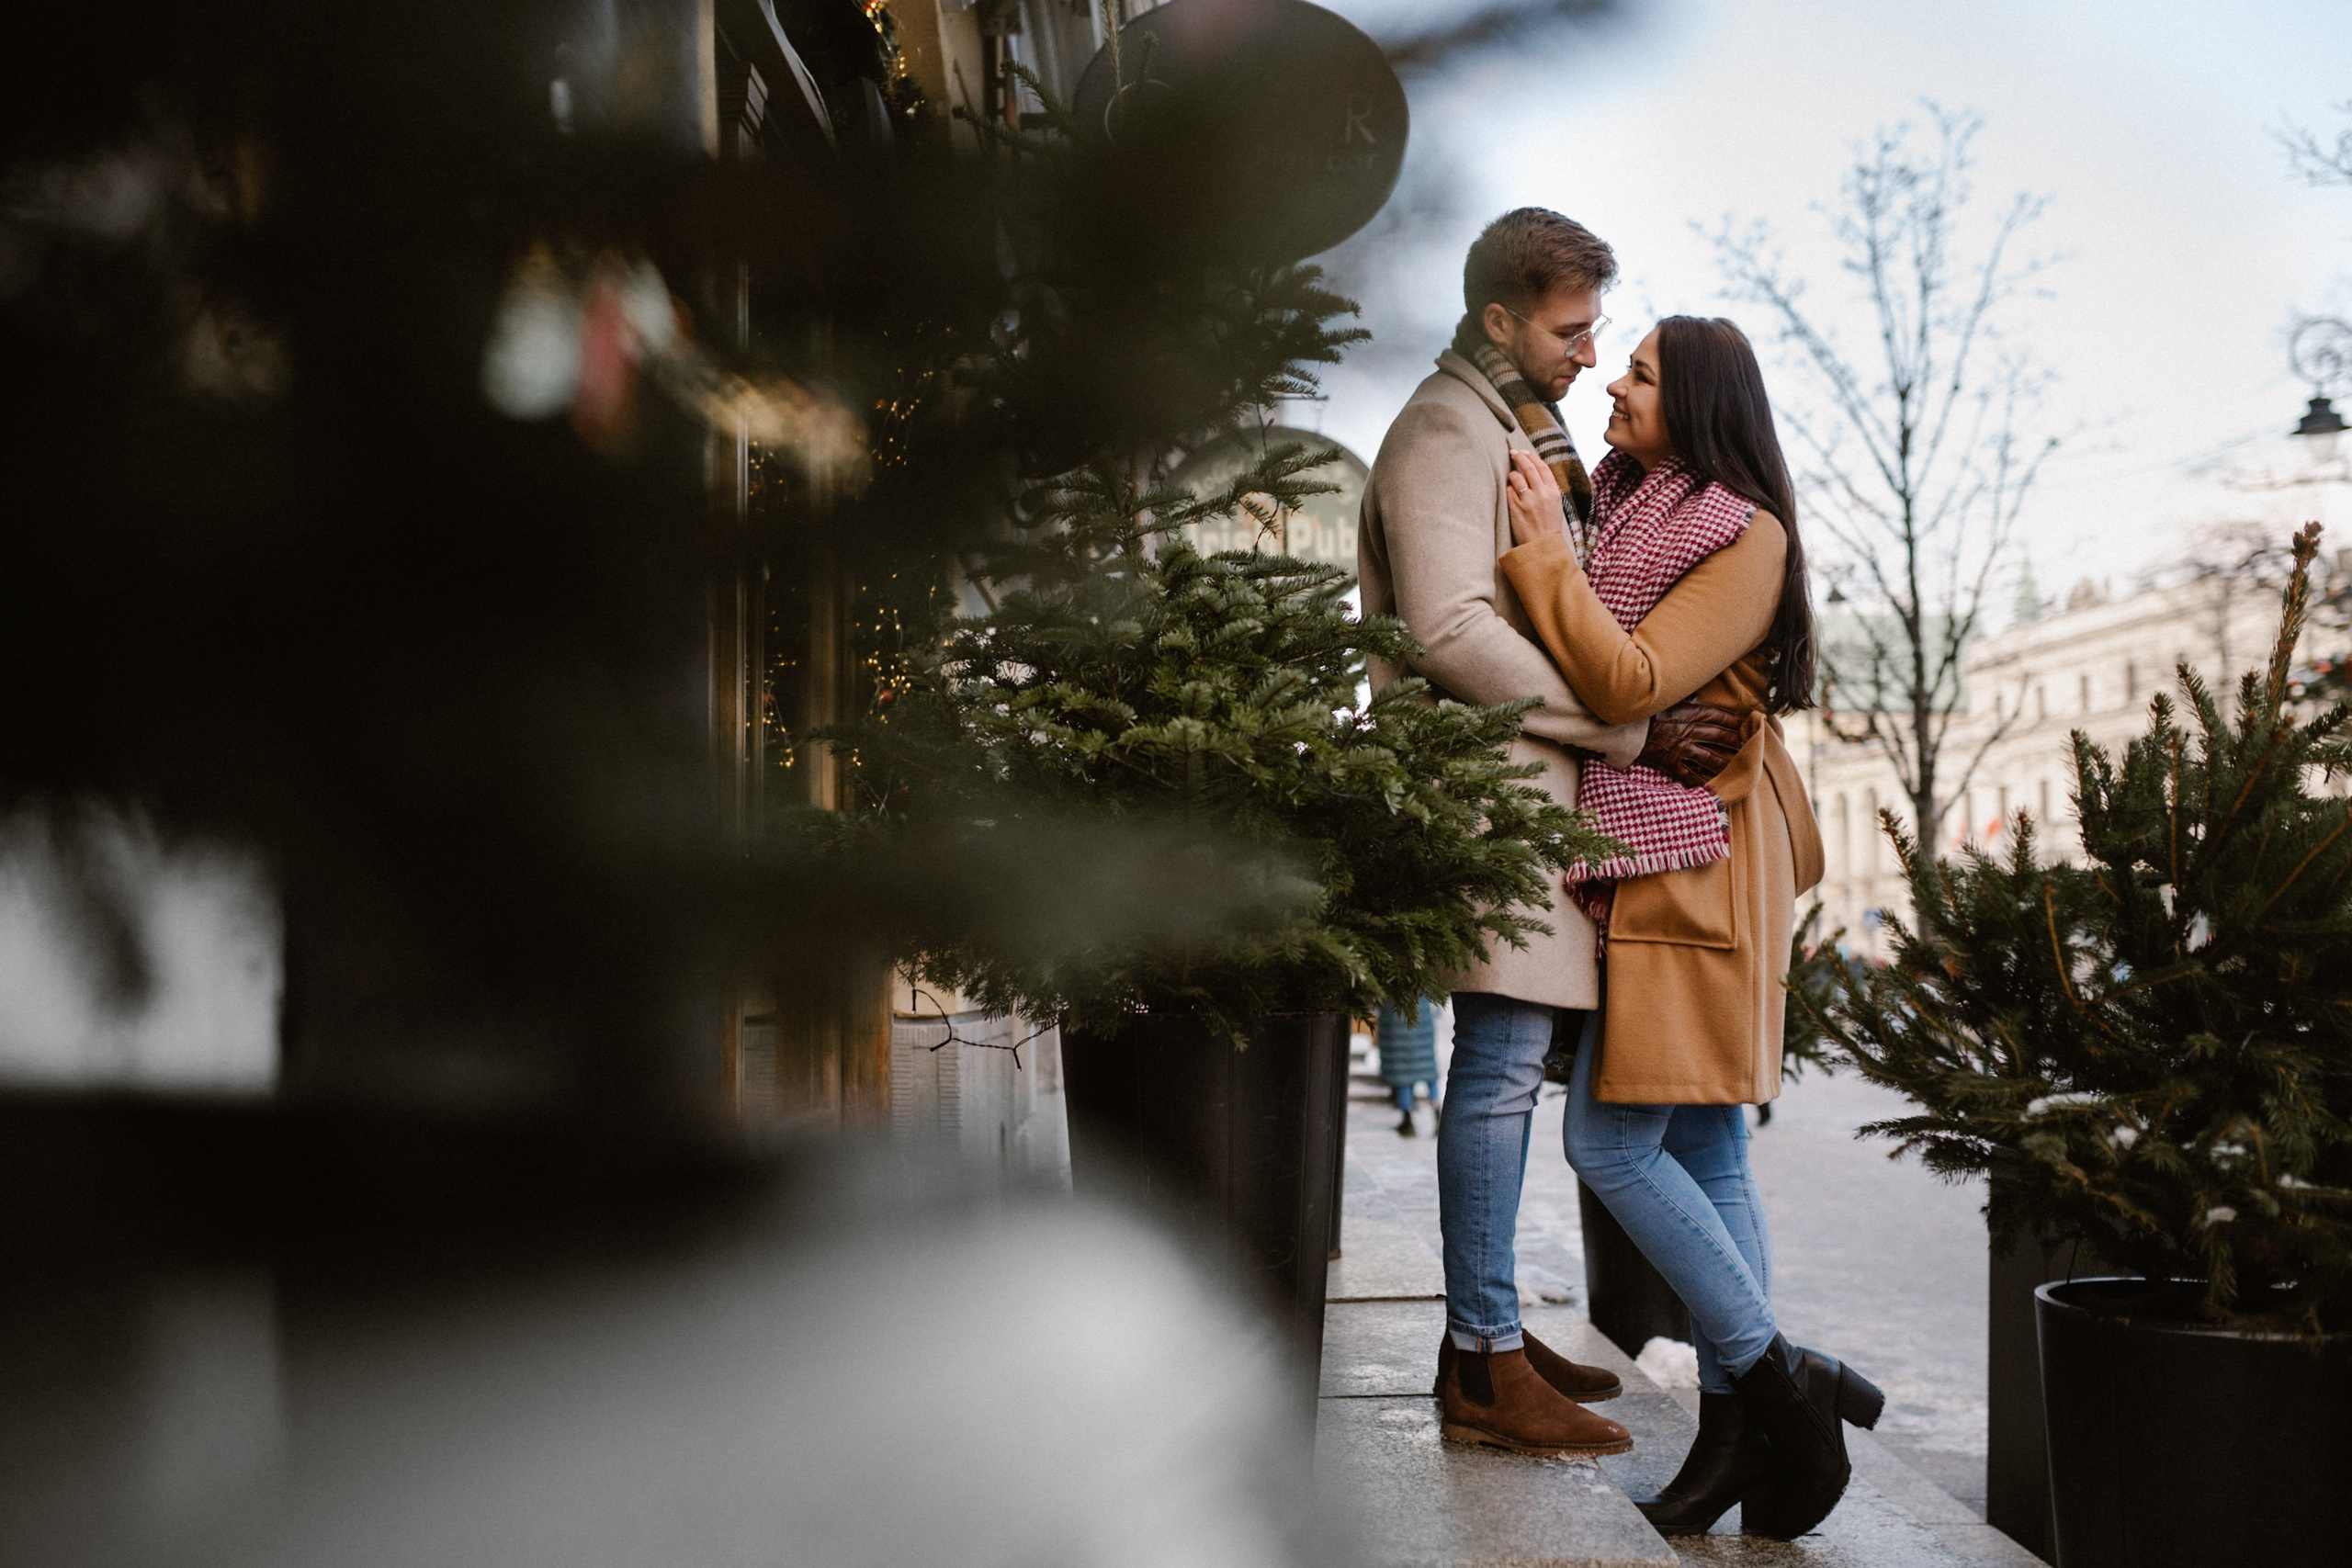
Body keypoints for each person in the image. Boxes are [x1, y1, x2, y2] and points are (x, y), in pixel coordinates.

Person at [1357, 209, 1744, 1460]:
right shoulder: (1445, 426)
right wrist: (1625, 734)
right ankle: (1483, 1360)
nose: (1589, 353)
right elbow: (1452, 633)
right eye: (1571, 331)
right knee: (1499, 1070)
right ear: (1499, 320)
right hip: (1488, 797)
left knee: (1507, 1067)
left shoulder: (1515, 429)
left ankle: (1489, 1335)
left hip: (1524, 797)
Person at [1498, 315, 1882, 1540]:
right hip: (1659, 862)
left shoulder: (1743, 535)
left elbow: (1623, 680)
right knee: (1709, 1150)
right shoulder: (1645, 510)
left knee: (1607, 1144)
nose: (1617, 378)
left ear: (1703, 402)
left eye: (1645, 371)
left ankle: (1780, 1374)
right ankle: (1739, 1429)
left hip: (1692, 871)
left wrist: (1543, 552)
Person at [1374, 1002, 1442, 1135]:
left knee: (1402, 1072)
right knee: (1427, 1068)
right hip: (1422, 1019)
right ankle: (1437, 1110)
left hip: (1395, 1020)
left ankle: (1407, 1118)